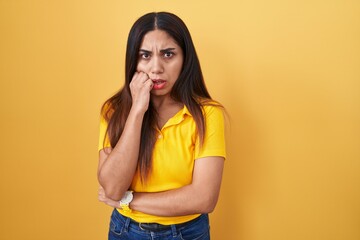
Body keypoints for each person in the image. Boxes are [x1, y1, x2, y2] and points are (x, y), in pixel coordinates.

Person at [97, 12, 226, 240]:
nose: (156, 67)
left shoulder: (207, 114)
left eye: (168, 54)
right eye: (145, 55)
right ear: (133, 61)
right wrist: (137, 111)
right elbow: (113, 188)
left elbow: (204, 198)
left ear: (185, 58)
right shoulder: (114, 111)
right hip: (125, 231)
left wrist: (128, 200)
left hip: (187, 233)